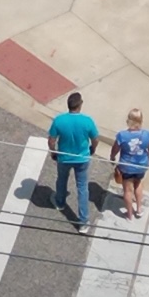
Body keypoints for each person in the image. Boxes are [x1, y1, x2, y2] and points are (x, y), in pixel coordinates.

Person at [48, 90, 99, 233]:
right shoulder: (87, 121)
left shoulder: (59, 120)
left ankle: (60, 202)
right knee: (82, 188)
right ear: (80, 105)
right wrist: (92, 149)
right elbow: (95, 139)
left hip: (64, 157)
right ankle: (83, 221)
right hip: (82, 159)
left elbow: (52, 140)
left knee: (62, 179)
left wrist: (54, 153)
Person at [109, 107, 149, 221]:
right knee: (138, 184)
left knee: (127, 190)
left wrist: (112, 157)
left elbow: (115, 149)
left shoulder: (122, 135)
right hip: (141, 165)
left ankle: (129, 215)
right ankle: (139, 209)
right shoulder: (147, 134)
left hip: (126, 166)